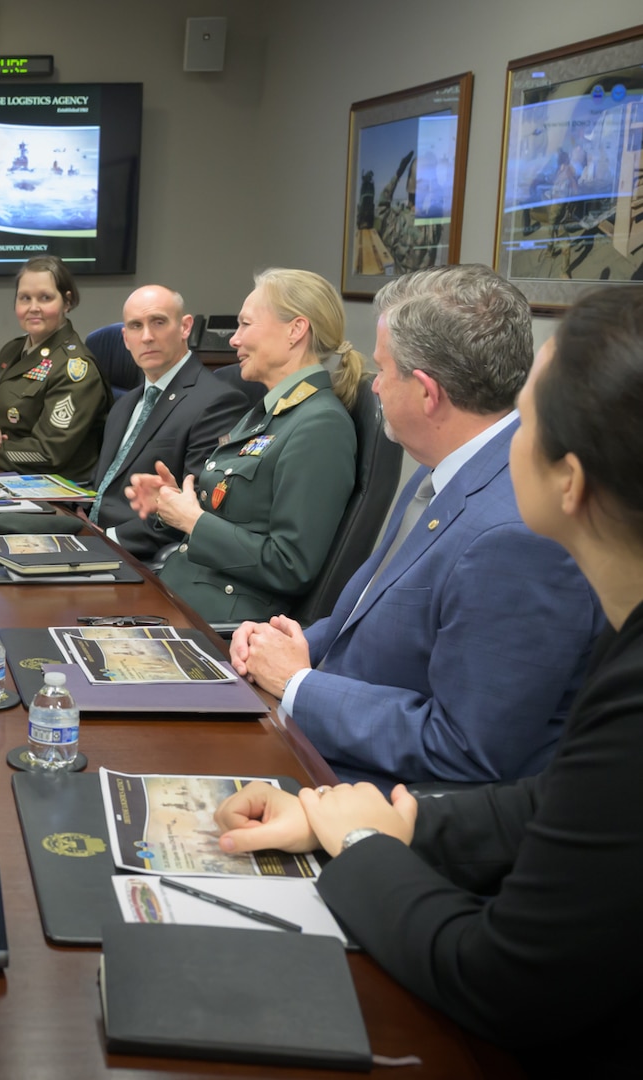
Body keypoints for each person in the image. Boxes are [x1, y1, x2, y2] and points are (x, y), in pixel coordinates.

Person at [215, 286, 643, 1074]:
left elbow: (504, 981)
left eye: (530, 410)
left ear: (572, 481)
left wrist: (363, 844)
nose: (510, 424)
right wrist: (368, 821)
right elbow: (551, 802)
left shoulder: (518, 545)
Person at [229, 265, 602, 789]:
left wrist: (296, 683)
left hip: (379, 797)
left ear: (427, 392)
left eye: (383, 370)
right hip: (323, 735)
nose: (374, 385)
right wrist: (291, 646)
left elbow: (464, 748)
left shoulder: (516, 536)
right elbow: (364, 617)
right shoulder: (443, 464)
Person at [127, 268, 360, 623]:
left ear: (295, 331)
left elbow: (291, 565)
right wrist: (173, 503)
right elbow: (235, 515)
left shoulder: (319, 426)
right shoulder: (267, 411)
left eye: (245, 325)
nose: (234, 340)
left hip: (221, 625)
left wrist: (194, 521)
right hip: (179, 595)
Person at [86, 286, 249, 558]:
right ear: (126, 339)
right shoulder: (124, 404)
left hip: (134, 555)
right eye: (136, 326)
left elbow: (196, 504)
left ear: (185, 327)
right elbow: (102, 486)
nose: (147, 336)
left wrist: (107, 540)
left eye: (158, 322)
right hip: (89, 536)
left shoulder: (218, 401)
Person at [0, 255, 110, 483]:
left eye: (45, 298)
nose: (33, 308)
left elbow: (48, 454)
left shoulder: (75, 369)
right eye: (25, 298)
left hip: (55, 488)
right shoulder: (13, 351)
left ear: (67, 302)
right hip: (5, 472)